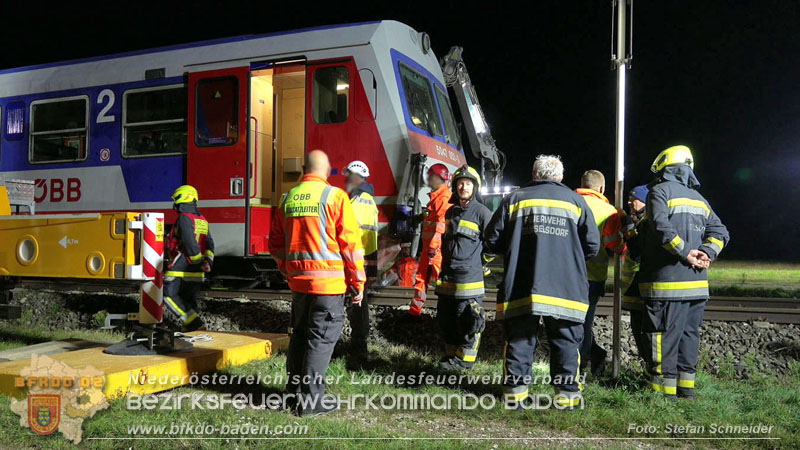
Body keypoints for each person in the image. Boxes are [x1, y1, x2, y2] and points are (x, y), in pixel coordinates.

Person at [485, 155, 600, 410]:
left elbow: (491, 239)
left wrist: (517, 249)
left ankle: (515, 397)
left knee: (520, 339)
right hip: (566, 286)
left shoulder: (514, 199)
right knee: (566, 341)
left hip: (522, 282)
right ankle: (567, 398)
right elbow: (592, 245)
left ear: (535, 174)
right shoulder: (576, 201)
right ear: (559, 177)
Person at [269, 150, 366, 416]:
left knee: (299, 337)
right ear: (327, 170)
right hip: (329, 287)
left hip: (299, 284)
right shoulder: (335, 196)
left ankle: (293, 395)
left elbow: (275, 244)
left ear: (303, 169)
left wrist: (288, 270)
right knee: (319, 341)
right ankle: (312, 403)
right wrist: (358, 282)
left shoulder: (287, 198)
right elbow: (350, 246)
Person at [638, 145, 729, 401]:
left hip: (666, 285)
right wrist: (706, 253)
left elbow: (660, 226)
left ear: (665, 168)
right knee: (689, 336)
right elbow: (721, 232)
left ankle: (661, 395)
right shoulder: (699, 199)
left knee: (661, 337)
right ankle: (686, 390)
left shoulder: (659, 191)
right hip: (697, 286)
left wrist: (685, 252)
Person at [435, 166, 493, 371]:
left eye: (468, 183)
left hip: (469, 279)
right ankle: (451, 358)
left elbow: (493, 244)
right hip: (448, 277)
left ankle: (464, 363)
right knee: (446, 318)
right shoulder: (451, 211)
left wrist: (481, 262)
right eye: (460, 183)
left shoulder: (482, 212)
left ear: (475, 187)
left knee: (468, 319)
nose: (463, 186)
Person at [574, 170, 625, 376]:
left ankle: (580, 361)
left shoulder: (567, 202)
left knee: (569, 323)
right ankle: (582, 366)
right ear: (601, 188)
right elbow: (615, 246)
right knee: (584, 323)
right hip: (593, 276)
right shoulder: (608, 210)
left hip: (565, 274)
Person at [163, 185, 214, 332]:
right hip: (197, 269)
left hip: (183, 264)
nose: (176, 205)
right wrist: (207, 262)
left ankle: (192, 323)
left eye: (177, 200)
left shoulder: (184, 218)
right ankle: (193, 329)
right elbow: (210, 243)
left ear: (183, 198)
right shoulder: (202, 220)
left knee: (167, 294)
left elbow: (189, 241)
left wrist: (197, 261)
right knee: (188, 299)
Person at [343, 160, 379, 353]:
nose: (346, 179)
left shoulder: (360, 200)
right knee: (359, 299)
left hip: (357, 260)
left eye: (348, 175)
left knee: (358, 301)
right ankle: (359, 342)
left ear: (356, 177)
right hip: (362, 259)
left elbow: (350, 232)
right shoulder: (363, 198)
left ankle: (359, 344)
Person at [409, 163, 452, 316]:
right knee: (421, 280)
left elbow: (441, 225)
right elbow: (432, 218)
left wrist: (433, 247)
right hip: (430, 249)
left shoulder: (444, 198)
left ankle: (446, 315)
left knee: (442, 284)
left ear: (437, 177)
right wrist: (421, 216)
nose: (428, 178)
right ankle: (415, 312)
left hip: (436, 251)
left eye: (430, 175)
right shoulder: (436, 197)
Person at [620, 185, 650, 363]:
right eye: (629, 198)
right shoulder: (638, 218)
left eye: (635, 199)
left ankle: (651, 368)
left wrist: (629, 228)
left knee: (642, 329)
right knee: (637, 328)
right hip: (634, 285)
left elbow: (638, 249)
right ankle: (648, 366)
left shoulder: (647, 221)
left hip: (641, 282)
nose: (630, 202)